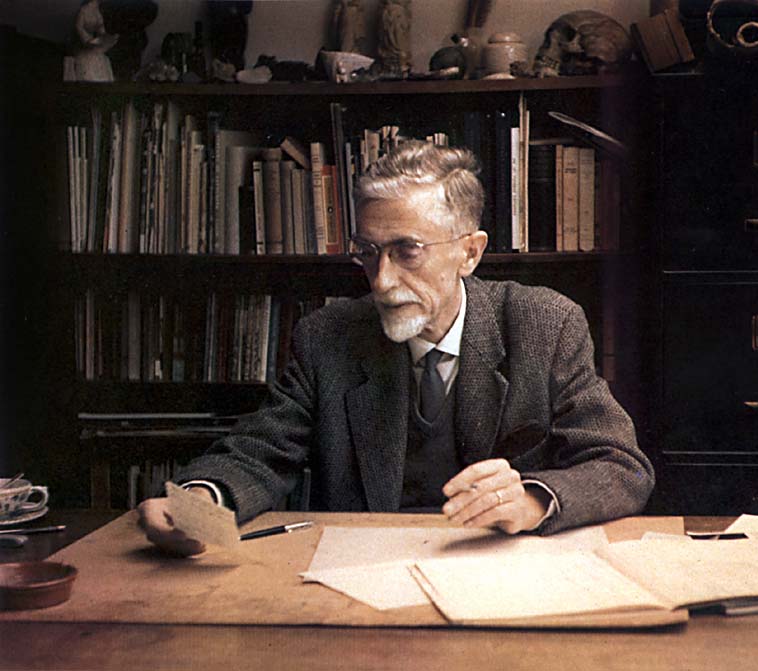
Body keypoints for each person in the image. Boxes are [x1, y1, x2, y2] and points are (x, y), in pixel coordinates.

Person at [139, 141, 654, 555]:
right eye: (368, 252)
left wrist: (532, 499)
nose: (382, 282)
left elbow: (621, 466)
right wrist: (200, 500)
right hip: (364, 572)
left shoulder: (545, 324)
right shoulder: (327, 336)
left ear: (469, 252)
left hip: (501, 572)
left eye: (407, 251)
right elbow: (259, 452)